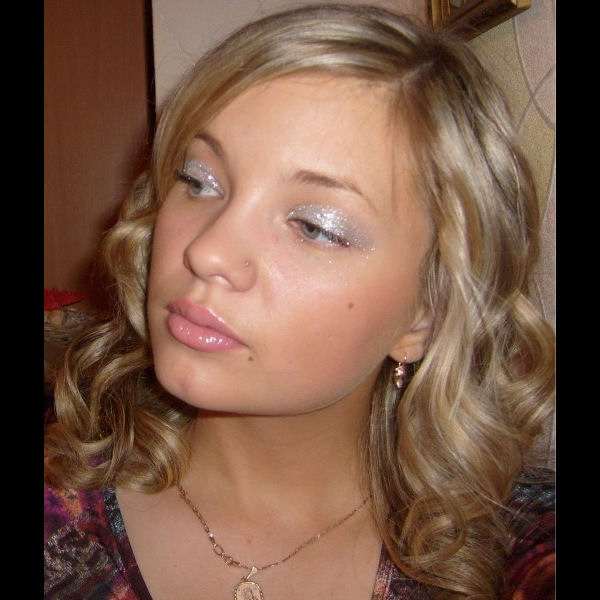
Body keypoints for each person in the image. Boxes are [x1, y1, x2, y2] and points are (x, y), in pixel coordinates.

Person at [44, 4, 555, 599]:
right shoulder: (59, 512)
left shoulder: (513, 550)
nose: (206, 251)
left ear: (427, 313)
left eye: (315, 226)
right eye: (200, 181)